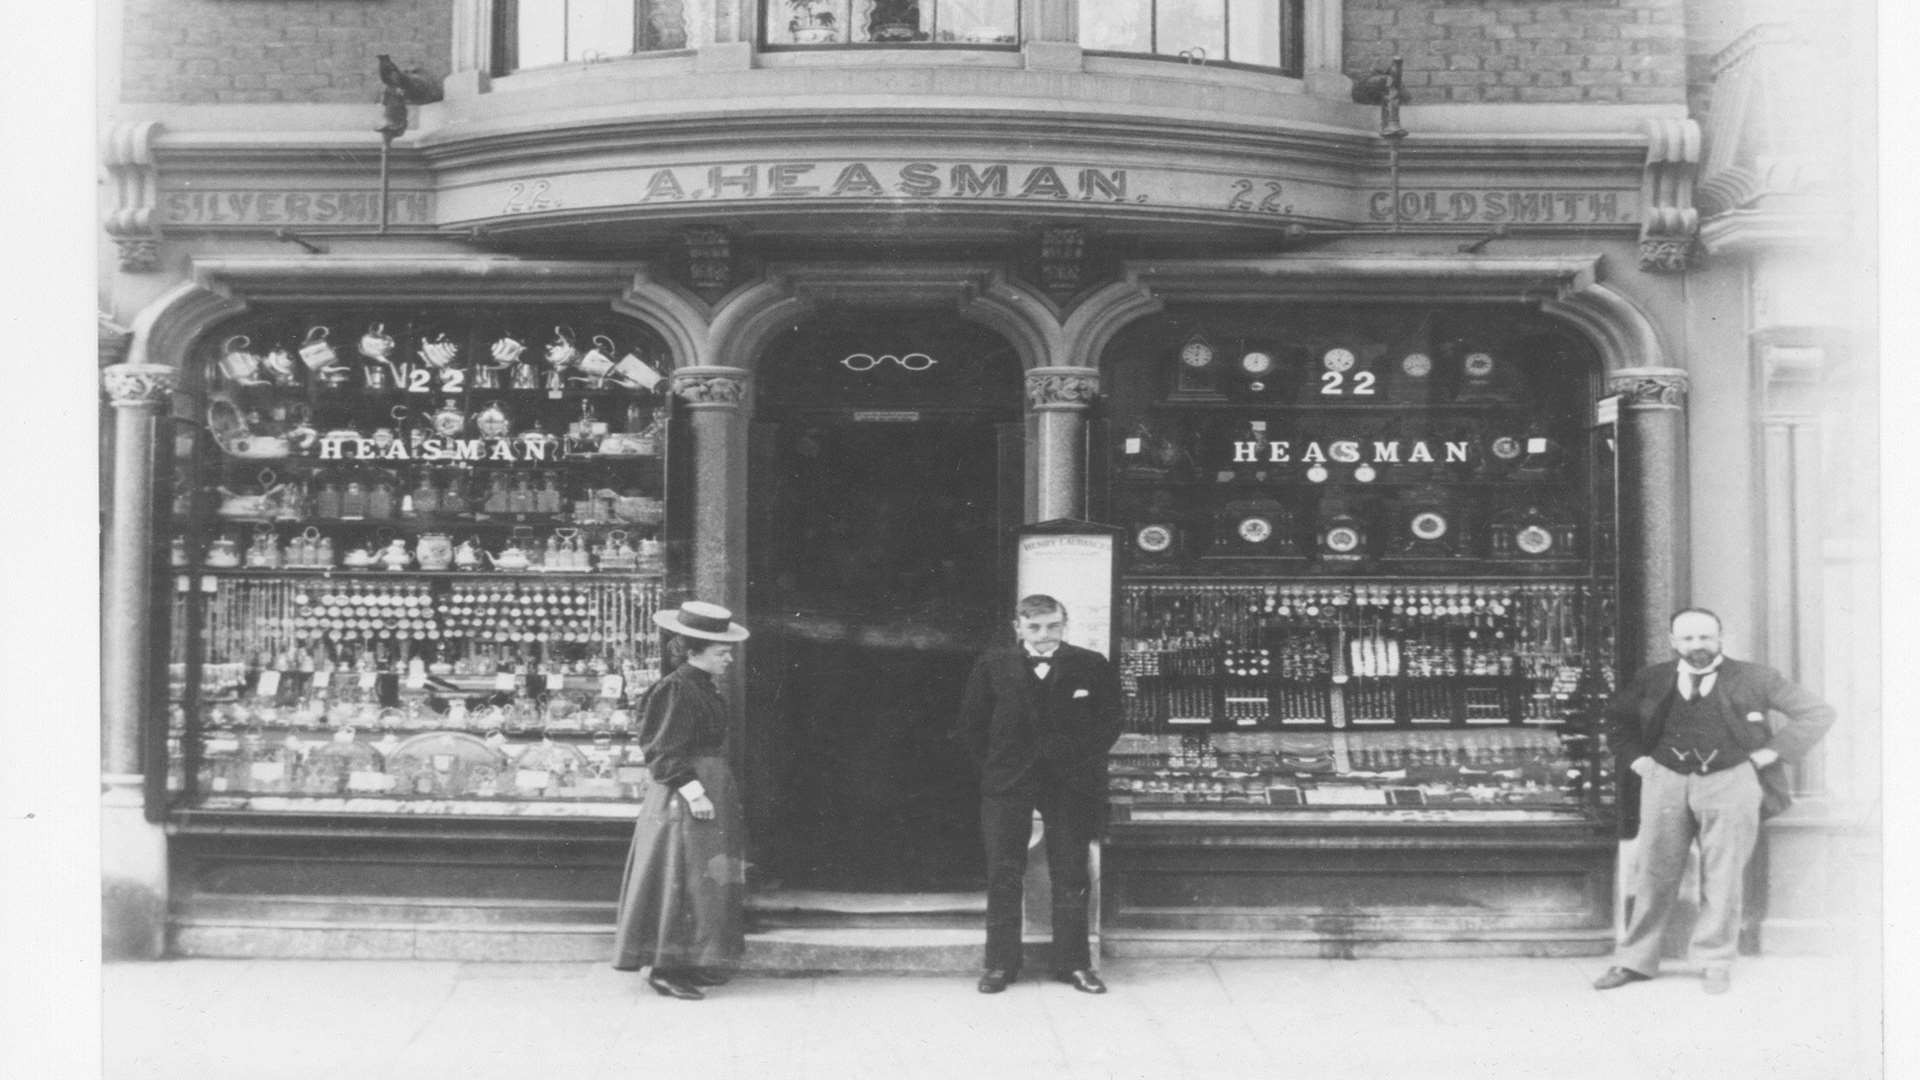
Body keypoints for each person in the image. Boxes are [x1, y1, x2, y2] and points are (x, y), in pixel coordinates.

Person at [1592, 608, 1834, 995]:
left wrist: (1770, 755)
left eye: (1705, 637)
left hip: (1731, 781)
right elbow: (1617, 721)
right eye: (1687, 639)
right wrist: (1638, 760)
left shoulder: (1756, 677)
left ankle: (1714, 961)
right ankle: (1635, 960)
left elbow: (1817, 713)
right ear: (1673, 642)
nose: (1697, 646)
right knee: (1654, 871)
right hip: (1665, 780)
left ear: (1720, 638)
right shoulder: (1652, 679)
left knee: (1723, 875)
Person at [958, 594, 1123, 995]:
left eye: (1052, 626)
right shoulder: (993, 665)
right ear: (1018, 627)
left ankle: (1074, 965)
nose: (1044, 635)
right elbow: (971, 726)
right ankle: (1000, 965)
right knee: (1003, 873)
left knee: (1070, 873)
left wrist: (1078, 763)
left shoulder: (1090, 664)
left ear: (1064, 625)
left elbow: (1110, 723)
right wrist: (997, 771)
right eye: (1034, 627)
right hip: (1008, 784)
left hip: (1069, 784)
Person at [612, 600, 751, 1000]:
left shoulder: (700, 686)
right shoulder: (675, 688)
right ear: (694, 651)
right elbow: (661, 749)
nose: (728, 659)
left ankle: (690, 960)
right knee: (677, 873)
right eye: (721, 652)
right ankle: (662, 966)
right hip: (683, 793)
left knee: (700, 878)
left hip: (707, 786)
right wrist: (692, 790)